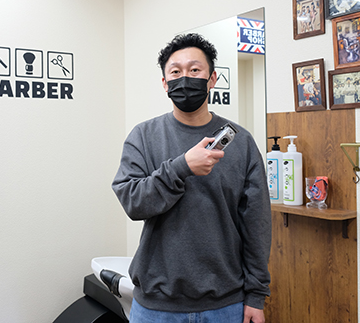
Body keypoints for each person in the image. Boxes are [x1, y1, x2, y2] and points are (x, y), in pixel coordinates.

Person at [112, 33, 271, 323]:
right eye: (176, 72)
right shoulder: (143, 136)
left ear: (212, 79)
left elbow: (256, 224)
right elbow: (134, 203)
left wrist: (256, 296)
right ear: (165, 83)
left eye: (195, 70)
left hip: (226, 304)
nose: (185, 78)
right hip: (156, 305)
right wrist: (182, 167)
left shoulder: (242, 143)